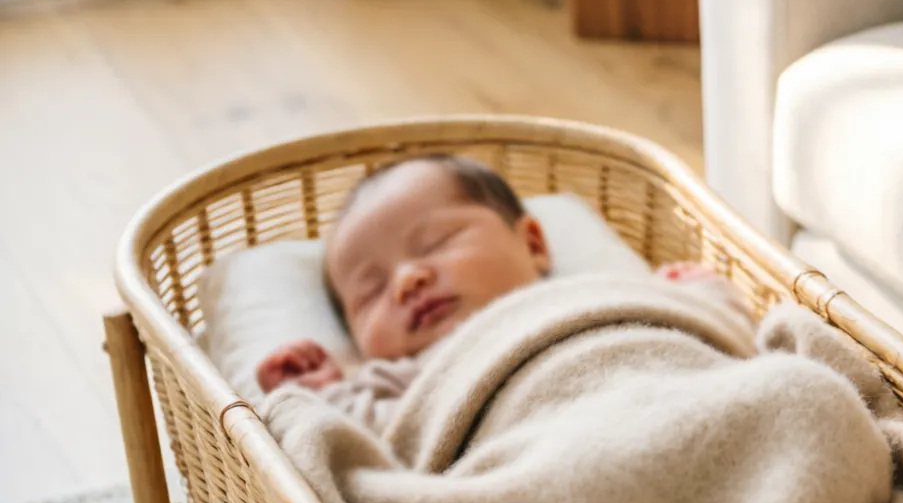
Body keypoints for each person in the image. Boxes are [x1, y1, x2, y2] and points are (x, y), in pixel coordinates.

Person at [256, 154, 736, 432]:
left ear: (532, 244)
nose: (406, 282)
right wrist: (318, 392)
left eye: (436, 244)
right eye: (372, 291)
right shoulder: (410, 378)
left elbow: (713, 342)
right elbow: (363, 442)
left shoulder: (602, 296)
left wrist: (701, 297)